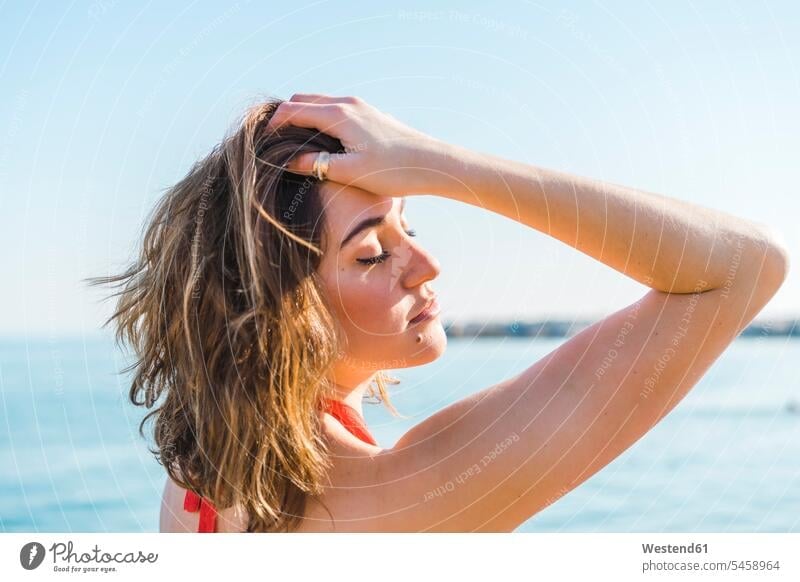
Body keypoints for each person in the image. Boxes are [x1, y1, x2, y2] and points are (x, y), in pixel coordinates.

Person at [93, 93, 788, 533]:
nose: (427, 267)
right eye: (371, 253)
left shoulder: (204, 479)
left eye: (411, 228)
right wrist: (439, 161)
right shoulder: (404, 500)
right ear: (282, 311)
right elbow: (745, 265)